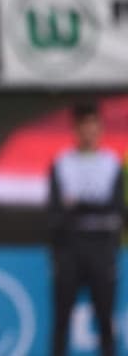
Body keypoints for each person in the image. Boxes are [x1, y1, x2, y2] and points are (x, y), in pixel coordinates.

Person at [48, 101, 125, 356]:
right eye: (84, 126)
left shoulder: (112, 163)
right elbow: (56, 213)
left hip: (101, 247)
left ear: (100, 128)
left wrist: (78, 205)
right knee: (62, 319)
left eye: (93, 125)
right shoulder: (62, 163)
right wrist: (91, 207)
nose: (89, 131)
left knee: (104, 317)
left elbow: (116, 211)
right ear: (76, 129)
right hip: (70, 248)